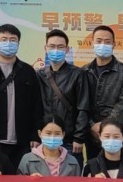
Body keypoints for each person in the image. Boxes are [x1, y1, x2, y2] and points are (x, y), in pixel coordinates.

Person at [0, 23, 42, 167]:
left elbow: (36, 105)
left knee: (22, 177)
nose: (8, 43)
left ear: (18, 43)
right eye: (4, 39)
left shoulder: (27, 71)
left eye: (13, 40)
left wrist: (35, 135)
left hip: (23, 141)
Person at [35, 28, 92, 156]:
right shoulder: (40, 75)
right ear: (45, 48)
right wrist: (35, 136)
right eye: (52, 46)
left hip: (70, 141)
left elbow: (83, 107)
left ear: (67, 49)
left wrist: (79, 137)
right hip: (44, 140)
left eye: (60, 47)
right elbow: (34, 108)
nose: (56, 50)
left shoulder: (78, 74)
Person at [85, 24, 123, 160]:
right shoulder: (83, 72)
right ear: (92, 43)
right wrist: (92, 126)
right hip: (93, 137)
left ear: (114, 44)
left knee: (122, 173)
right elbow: (80, 104)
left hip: (119, 138)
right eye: (99, 41)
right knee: (95, 172)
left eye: (107, 42)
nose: (103, 45)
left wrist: (104, 126)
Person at [17, 116, 83, 176]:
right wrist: (29, 180)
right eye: (48, 133)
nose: (52, 137)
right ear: (40, 133)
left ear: (63, 134)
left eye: (57, 133)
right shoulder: (27, 159)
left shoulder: (72, 162)